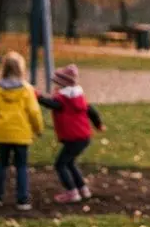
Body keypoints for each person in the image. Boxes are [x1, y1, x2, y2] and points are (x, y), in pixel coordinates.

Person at [37, 64, 105, 205]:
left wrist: (37, 96)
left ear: (63, 85)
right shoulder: (79, 97)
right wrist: (98, 125)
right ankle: (83, 189)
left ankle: (72, 192)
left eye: (57, 84)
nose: (55, 87)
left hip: (74, 138)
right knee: (70, 162)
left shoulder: (62, 99)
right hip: (83, 137)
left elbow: (50, 104)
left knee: (60, 164)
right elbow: (92, 111)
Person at [0, 51, 43, 211]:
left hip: (2, 134)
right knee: (21, 166)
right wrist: (38, 129)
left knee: (2, 165)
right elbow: (34, 112)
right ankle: (22, 199)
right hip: (21, 135)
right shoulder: (26, 90)